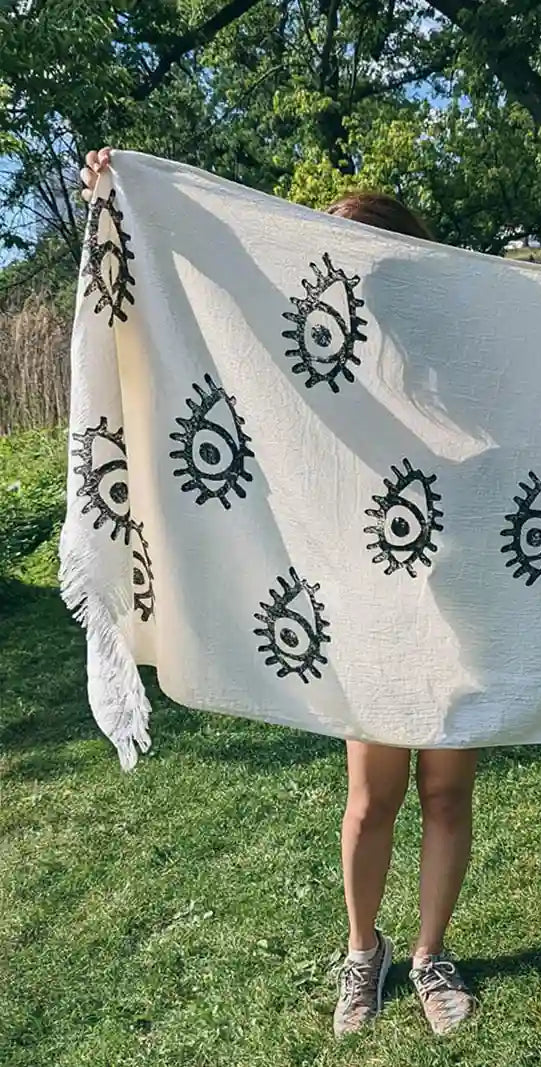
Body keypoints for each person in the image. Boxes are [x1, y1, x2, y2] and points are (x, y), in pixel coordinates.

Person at [81, 149, 478, 1038]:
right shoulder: (304, 346)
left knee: (449, 788)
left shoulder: (453, 353)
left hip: (457, 593)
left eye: (361, 248)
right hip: (368, 598)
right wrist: (127, 195)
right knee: (374, 794)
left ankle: (430, 953)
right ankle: (362, 951)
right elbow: (208, 285)